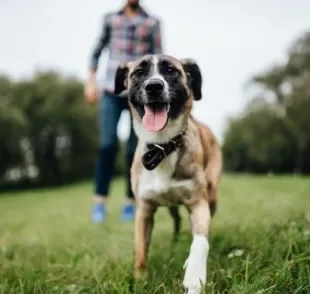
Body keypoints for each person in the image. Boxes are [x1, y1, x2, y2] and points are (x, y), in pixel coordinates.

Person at [85, 0, 163, 223]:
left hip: (139, 94)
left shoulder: (152, 22)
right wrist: (90, 81)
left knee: (134, 149)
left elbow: (158, 57)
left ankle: (130, 202)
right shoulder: (110, 19)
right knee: (107, 145)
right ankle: (99, 202)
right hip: (111, 90)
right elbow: (97, 51)